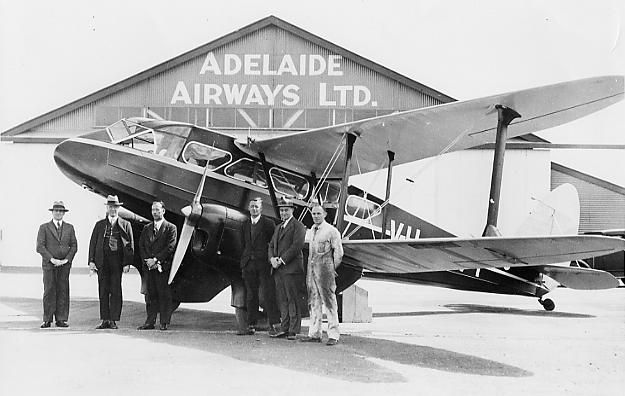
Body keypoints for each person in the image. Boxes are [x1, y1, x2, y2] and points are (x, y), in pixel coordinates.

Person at [300, 204, 344, 346]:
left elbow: (339, 252)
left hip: (325, 270)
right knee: (313, 302)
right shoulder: (311, 230)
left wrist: (331, 268)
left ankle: (333, 335)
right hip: (312, 271)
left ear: (324, 214)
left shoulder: (331, 231)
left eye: (319, 213)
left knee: (330, 302)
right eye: (313, 213)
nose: (316, 216)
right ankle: (314, 333)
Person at [88, 195, 134, 329]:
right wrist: (91, 261)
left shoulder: (126, 224)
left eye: (115, 207)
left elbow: (130, 245)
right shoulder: (99, 225)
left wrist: (127, 263)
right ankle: (104, 319)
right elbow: (93, 244)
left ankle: (113, 320)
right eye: (110, 207)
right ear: (107, 208)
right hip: (102, 261)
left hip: (117, 261)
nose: (113, 209)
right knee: (103, 291)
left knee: (115, 290)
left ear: (118, 208)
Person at [239, 198, 280, 335]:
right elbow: (243, 243)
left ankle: (274, 324)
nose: (254, 209)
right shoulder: (244, 224)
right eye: (252, 207)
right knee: (251, 295)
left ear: (261, 209)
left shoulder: (268, 224)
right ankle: (251, 325)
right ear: (249, 208)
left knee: (268, 294)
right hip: (249, 265)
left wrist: (270, 259)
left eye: (256, 207)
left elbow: (274, 243)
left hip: (264, 264)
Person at [268, 196, 306, 340]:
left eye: (286, 210)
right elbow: (271, 245)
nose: (283, 213)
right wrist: (272, 259)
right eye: (282, 210)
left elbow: (296, 246)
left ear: (292, 211)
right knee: (282, 300)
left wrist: (281, 260)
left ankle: (293, 330)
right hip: (278, 269)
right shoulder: (278, 227)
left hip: (291, 269)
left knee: (292, 299)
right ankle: (284, 328)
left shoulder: (298, 226)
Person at [36, 201, 78, 328]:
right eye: (56, 211)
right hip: (49, 265)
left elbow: (74, 245)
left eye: (61, 211)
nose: (59, 213)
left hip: (64, 265)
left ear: (64, 213)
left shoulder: (69, 228)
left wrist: (66, 259)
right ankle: (47, 319)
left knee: (63, 290)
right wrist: (52, 259)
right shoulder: (44, 227)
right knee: (49, 290)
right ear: (52, 212)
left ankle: (61, 319)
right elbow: (40, 247)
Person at [137, 201, 177, 331]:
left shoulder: (171, 228)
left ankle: (164, 322)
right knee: (150, 295)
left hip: (162, 267)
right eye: (153, 210)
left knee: (164, 294)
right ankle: (150, 322)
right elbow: (141, 245)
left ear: (163, 211)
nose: (155, 212)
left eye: (157, 210)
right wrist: (147, 260)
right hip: (149, 267)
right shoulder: (146, 228)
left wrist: (156, 260)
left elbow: (170, 247)